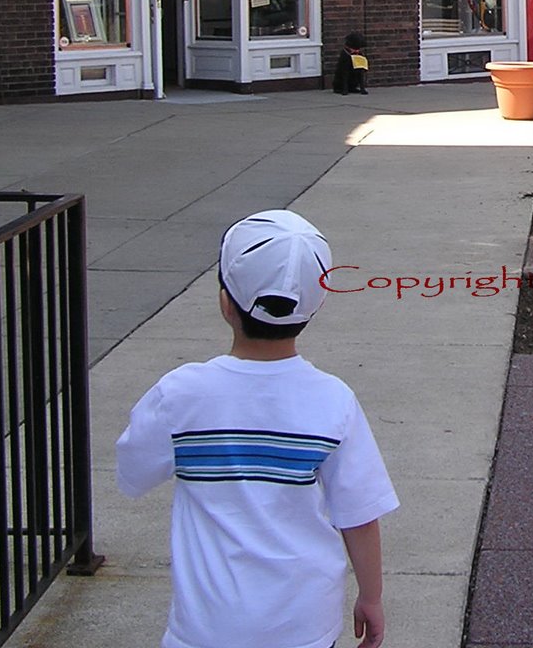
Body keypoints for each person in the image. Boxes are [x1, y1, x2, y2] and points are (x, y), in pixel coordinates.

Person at [117, 210, 398, 648]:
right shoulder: (332, 399)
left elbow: (133, 471)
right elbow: (359, 515)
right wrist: (372, 597)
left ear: (226, 301)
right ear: (317, 303)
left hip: (205, 627)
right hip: (304, 624)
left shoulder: (182, 394)